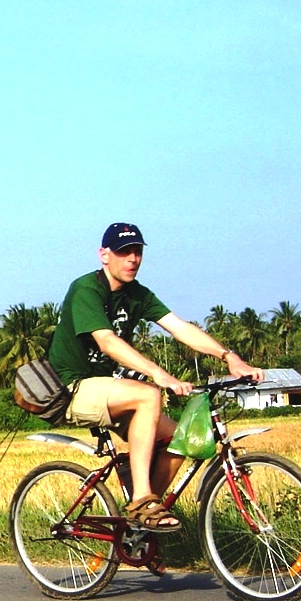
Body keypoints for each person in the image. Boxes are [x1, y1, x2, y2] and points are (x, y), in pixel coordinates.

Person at [47, 223, 264, 531]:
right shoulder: (86, 289)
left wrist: (230, 358)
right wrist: (159, 374)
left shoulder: (138, 295)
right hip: (73, 386)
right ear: (104, 255)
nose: (132, 259)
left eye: (137, 252)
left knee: (182, 440)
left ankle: (143, 518)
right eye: (123, 252)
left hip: (109, 390)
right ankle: (141, 498)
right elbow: (107, 341)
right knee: (148, 394)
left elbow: (179, 328)